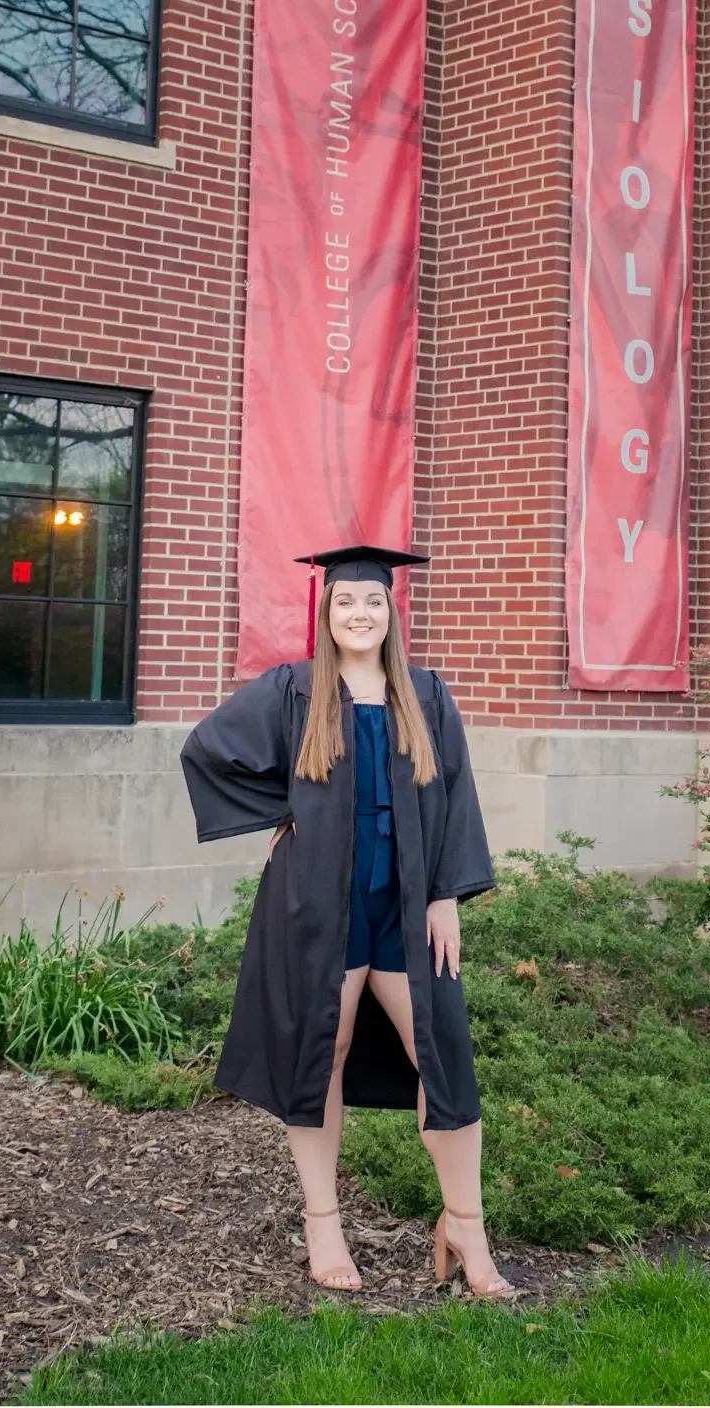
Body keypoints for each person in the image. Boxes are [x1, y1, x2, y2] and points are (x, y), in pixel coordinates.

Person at [180, 545, 514, 1299]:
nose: (358, 614)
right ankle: (322, 1223)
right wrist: (285, 811)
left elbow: (454, 796)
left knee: (443, 1052)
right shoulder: (294, 690)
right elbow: (207, 750)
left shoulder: (425, 694)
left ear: (391, 612)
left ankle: (466, 1223)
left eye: (371, 602)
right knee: (318, 1049)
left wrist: (445, 896)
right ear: (325, 614)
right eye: (344, 603)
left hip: (404, 903)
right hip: (319, 902)